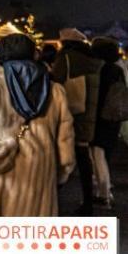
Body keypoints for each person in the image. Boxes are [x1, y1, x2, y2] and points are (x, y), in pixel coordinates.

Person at [0, 34, 75, 234]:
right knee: (28, 239)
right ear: (33, 54)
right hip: (37, 175)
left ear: (0, 55)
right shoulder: (56, 90)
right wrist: (62, 171)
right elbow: (65, 139)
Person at [52, 28, 104, 215]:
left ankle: (51, 198)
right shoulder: (95, 60)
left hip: (69, 113)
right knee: (83, 159)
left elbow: (56, 82)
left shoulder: (66, 57)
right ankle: (88, 201)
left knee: (59, 156)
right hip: (89, 115)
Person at [90, 37, 125, 209]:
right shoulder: (117, 69)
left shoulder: (99, 69)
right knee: (105, 154)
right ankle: (105, 190)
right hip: (113, 116)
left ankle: (103, 193)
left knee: (97, 154)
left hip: (99, 117)